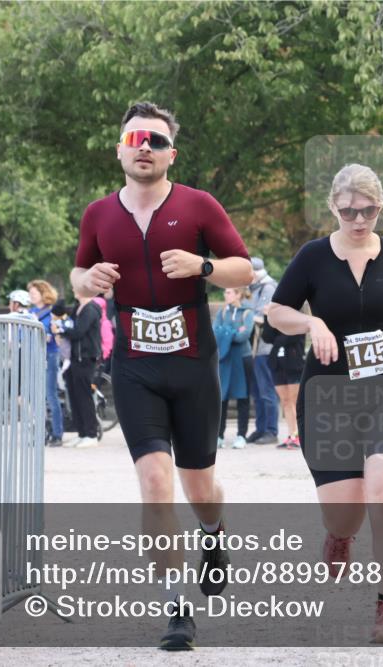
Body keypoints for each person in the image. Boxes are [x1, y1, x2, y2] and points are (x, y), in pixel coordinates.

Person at [70, 102, 252, 651]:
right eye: (134, 137)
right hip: (135, 367)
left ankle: (214, 534)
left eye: (155, 139)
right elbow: (77, 275)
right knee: (154, 482)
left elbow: (242, 266)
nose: (143, 145)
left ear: (171, 152)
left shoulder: (198, 205)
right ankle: (176, 609)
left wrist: (202, 266)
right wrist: (88, 278)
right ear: (120, 149)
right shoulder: (98, 214)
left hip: (194, 365)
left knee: (200, 489)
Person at [267, 163, 383, 644]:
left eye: (367, 211)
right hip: (327, 394)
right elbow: (276, 312)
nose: (358, 220)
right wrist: (311, 324)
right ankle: (339, 534)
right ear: (333, 208)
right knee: (345, 512)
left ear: (381, 207)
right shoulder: (313, 257)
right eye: (348, 212)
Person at [55, 287, 102, 449]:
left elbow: (78, 331)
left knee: (84, 396)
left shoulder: (91, 309)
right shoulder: (78, 307)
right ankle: (82, 433)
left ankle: (91, 434)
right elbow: (68, 321)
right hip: (74, 358)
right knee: (74, 397)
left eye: (76, 287)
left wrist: (61, 330)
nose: (74, 288)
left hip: (86, 358)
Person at [245, 257, 280, 444]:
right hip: (254, 349)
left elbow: (261, 316)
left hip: (265, 348)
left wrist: (245, 317)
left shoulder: (268, 288)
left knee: (267, 391)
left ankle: (271, 430)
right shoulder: (253, 289)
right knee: (257, 392)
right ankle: (260, 428)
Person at [214, 287, 253, 450]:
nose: (226, 294)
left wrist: (227, 332)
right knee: (221, 397)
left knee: (243, 398)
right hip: (225, 358)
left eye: (229, 292)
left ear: (239, 294)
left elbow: (244, 335)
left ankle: (241, 435)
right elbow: (215, 332)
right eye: (225, 292)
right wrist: (233, 332)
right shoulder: (222, 312)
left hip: (243, 359)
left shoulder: (247, 312)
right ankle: (219, 435)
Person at [261, 308, 306, 449]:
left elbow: (293, 336)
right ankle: (291, 435)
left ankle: (299, 436)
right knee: (285, 401)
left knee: (295, 401)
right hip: (277, 364)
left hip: (294, 363)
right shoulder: (277, 318)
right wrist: (267, 317)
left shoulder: (299, 317)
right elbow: (267, 337)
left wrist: (278, 339)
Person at [28, 279, 63, 447]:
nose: (31, 296)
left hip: (50, 355)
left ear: (43, 294)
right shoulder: (31, 312)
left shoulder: (51, 313)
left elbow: (54, 335)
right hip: (36, 355)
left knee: (50, 394)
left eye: (34, 293)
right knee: (37, 396)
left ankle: (57, 433)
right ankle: (43, 432)